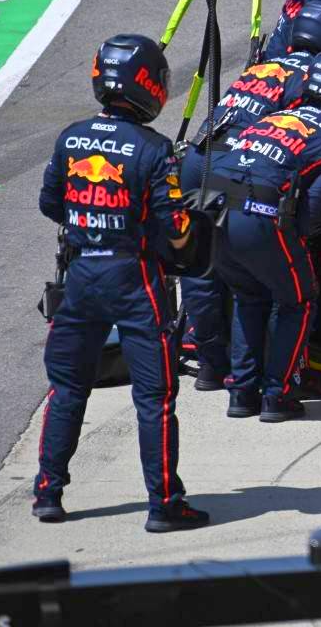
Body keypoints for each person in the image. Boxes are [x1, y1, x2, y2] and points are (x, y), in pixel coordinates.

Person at [35, 34, 208, 531]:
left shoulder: (70, 138)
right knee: (154, 398)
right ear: (149, 86)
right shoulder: (154, 150)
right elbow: (175, 234)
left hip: (82, 275)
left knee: (67, 387)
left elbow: (51, 205)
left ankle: (48, 494)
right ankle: (164, 504)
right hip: (135, 280)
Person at [179, 0, 321, 391]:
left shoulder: (266, 64)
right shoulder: (313, 80)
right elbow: (301, 140)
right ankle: (285, 370)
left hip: (199, 160)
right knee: (273, 273)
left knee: (205, 266)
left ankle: (214, 364)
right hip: (240, 169)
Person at [208, 51, 321, 422]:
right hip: (258, 217)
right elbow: (314, 209)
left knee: (249, 295)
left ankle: (241, 393)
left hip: (213, 211)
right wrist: (300, 239)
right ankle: (278, 394)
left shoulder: (274, 116)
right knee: (298, 299)